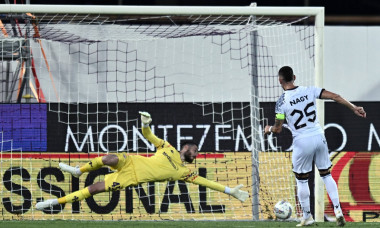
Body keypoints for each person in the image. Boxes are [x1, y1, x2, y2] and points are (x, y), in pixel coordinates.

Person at [36, 111, 249, 211]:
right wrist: (146, 124)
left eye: (196, 152)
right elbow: (149, 136)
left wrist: (229, 191)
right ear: (185, 148)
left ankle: (53, 203)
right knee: (109, 157)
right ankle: (78, 170)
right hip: (130, 162)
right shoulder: (168, 148)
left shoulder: (184, 173)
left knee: (93, 189)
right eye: (194, 149)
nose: (195, 152)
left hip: (131, 178)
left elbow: (207, 183)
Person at [264, 66, 366, 227]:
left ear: (280, 81)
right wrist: (354, 108)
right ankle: (338, 210)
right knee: (326, 175)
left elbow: (277, 128)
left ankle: (307, 216)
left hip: (302, 141)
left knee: (302, 180)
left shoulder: (281, 103)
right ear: (295, 77)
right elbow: (336, 96)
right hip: (319, 137)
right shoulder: (310, 90)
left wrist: (268, 129)